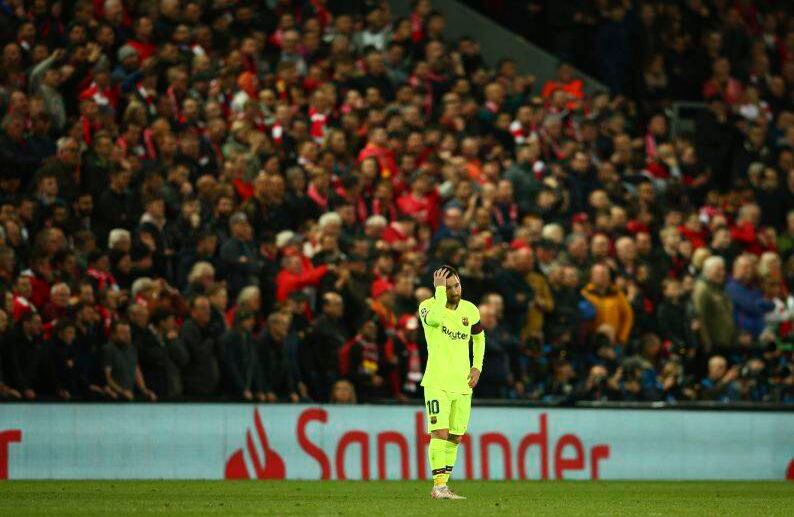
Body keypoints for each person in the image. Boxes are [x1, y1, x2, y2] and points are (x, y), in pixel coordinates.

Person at [418, 266, 485, 500]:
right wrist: (438, 293)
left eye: (457, 285)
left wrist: (477, 366)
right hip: (437, 381)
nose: (455, 290)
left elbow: (479, 338)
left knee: (456, 436)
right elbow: (436, 320)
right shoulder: (427, 307)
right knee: (440, 432)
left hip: (463, 383)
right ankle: (438, 486)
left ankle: (443, 486)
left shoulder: (470, 310)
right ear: (439, 290)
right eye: (448, 288)